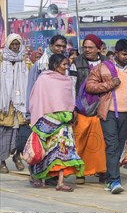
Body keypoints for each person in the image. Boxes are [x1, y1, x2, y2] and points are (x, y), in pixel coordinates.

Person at [86, 39, 127, 194]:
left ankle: (110, 178)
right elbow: (90, 85)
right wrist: (109, 85)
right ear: (116, 53)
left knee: (120, 147)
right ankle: (115, 180)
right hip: (107, 113)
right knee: (111, 145)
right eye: (124, 54)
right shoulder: (103, 67)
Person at [27, 54, 84, 191]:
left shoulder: (67, 80)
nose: (66, 68)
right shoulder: (44, 79)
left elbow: (69, 100)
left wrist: (71, 114)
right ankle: (37, 176)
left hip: (64, 123)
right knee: (44, 150)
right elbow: (37, 100)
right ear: (55, 65)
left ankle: (60, 182)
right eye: (63, 65)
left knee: (63, 151)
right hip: (46, 121)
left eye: (66, 65)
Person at [69, 34, 108, 184]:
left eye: (90, 47)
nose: (87, 50)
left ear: (99, 49)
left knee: (101, 141)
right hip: (82, 108)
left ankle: (103, 171)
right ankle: (80, 172)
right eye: (85, 47)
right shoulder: (76, 63)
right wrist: (72, 107)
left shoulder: (107, 63)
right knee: (80, 141)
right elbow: (72, 85)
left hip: (102, 108)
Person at [0, 34, 28, 173]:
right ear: (8, 45)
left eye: (18, 44)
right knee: (4, 134)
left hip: (20, 105)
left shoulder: (25, 62)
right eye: (13, 44)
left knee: (20, 133)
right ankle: (2, 161)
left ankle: (17, 155)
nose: (15, 47)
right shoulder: (1, 60)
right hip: (4, 105)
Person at [26, 35, 68, 117]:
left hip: (62, 108)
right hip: (43, 108)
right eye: (58, 46)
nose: (61, 49)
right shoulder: (40, 65)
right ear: (51, 46)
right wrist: (29, 112)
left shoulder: (65, 64)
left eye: (64, 46)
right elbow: (31, 88)